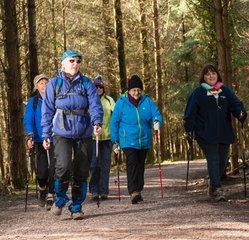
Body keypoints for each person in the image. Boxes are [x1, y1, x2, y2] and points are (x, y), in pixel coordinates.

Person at [41, 50, 103, 220]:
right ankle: (60, 199)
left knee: (82, 170)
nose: (75, 64)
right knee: (63, 166)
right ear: (63, 63)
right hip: (61, 132)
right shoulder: (54, 84)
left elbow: (95, 105)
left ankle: (76, 206)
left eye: (77, 61)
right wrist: (45, 134)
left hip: (83, 131)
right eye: (72, 61)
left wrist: (97, 123)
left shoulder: (86, 83)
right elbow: (46, 110)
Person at [183, 64, 247, 202]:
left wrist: (240, 113)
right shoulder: (198, 92)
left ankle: (212, 185)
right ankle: (217, 189)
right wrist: (189, 129)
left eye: (213, 73)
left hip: (224, 132)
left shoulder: (225, 91)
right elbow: (190, 113)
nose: (210, 76)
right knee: (213, 159)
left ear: (217, 75)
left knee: (223, 161)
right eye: (207, 74)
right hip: (205, 133)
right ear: (203, 77)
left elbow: (235, 104)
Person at [110, 74, 163, 204]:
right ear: (128, 91)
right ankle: (133, 191)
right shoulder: (121, 103)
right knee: (132, 163)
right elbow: (114, 122)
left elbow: (156, 114)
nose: (136, 92)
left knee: (140, 166)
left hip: (144, 139)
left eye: (139, 90)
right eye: (133, 90)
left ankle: (138, 189)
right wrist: (115, 140)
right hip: (127, 140)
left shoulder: (147, 101)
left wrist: (157, 122)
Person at [23, 74, 55, 210]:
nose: (44, 85)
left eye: (46, 82)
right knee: (42, 172)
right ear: (36, 86)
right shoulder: (33, 102)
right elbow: (28, 119)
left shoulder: (55, 99)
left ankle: (51, 194)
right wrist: (29, 135)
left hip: (55, 138)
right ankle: (42, 189)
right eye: (41, 83)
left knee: (54, 167)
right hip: (39, 139)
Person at [89, 76, 115, 200]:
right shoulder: (89, 100)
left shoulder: (109, 100)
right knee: (94, 164)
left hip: (107, 138)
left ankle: (104, 191)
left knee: (105, 166)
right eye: (96, 87)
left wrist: (115, 136)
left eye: (100, 87)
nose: (98, 89)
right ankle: (94, 190)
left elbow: (115, 117)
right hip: (93, 138)